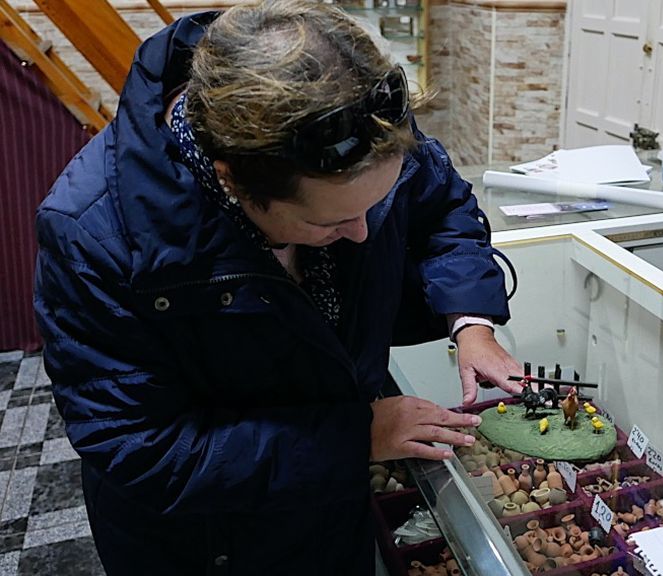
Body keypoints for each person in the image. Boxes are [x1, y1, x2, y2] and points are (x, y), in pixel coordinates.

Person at [33, 1, 523, 574]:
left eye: (377, 205)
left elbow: (444, 209)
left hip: (329, 507)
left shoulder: (361, 122)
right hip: (206, 542)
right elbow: (143, 450)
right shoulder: (92, 236)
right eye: (328, 223)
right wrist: (356, 438)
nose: (362, 233)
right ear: (232, 180)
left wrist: (470, 318)